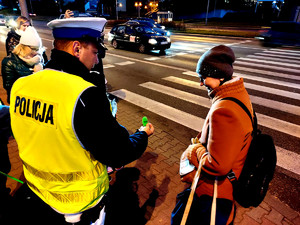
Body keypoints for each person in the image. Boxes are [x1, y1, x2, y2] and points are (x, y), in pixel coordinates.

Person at [10, 17, 154, 225]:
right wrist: (142, 134)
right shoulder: (84, 95)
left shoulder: (21, 86)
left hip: (37, 193)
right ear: (77, 49)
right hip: (78, 207)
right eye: (95, 53)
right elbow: (119, 152)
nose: (96, 61)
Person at [173, 45, 254, 225]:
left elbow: (218, 165)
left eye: (203, 77)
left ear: (220, 75)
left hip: (214, 191)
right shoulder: (238, 95)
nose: (201, 82)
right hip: (225, 188)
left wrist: (194, 150)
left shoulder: (225, 109)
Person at [2, 26, 44, 104]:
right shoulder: (9, 62)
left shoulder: (40, 58)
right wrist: (33, 78)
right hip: (19, 103)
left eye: (37, 49)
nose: (36, 52)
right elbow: (10, 87)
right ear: (23, 46)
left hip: (37, 103)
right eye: (33, 49)